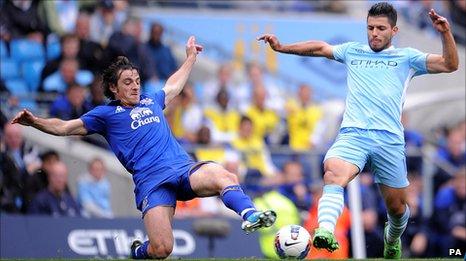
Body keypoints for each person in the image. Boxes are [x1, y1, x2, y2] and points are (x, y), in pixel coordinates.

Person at [11, 36, 276, 259]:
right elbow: (65, 128)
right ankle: (138, 253)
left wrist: (190, 59)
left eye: (137, 80)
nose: (135, 85)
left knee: (224, 176)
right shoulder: (105, 115)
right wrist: (35, 122)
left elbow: (173, 85)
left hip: (183, 170)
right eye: (127, 82)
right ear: (114, 88)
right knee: (162, 249)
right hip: (152, 183)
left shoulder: (151, 100)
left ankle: (250, 214)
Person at [258, 2, 458, 259]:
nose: (374, 33)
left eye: (381, 28)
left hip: (389, 140)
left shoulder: (407, 58)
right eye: (370, 28)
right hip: (354, 134)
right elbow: (320, 48)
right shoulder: (353, 51)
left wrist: (445, 33)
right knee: (333, 172)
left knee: (397, 208)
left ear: (394, 30)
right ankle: (326, 230)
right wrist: (282, 47)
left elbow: (449, 64)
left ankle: (393, 237)